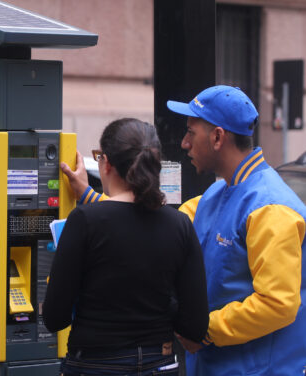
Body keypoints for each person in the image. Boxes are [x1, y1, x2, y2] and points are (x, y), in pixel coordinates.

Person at [61, 86, 306, 375]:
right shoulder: (218, 193)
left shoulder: (271, 207)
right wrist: (89, 196)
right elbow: (149, 226)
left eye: (191, 132)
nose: (185, 143)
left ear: (217, 137)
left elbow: (277, 303)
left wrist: (202, 331)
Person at [43, 118, 209, 376]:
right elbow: (195, 326)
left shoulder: (85, 221)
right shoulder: (180, 225)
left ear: (107, 163)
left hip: (94, 364)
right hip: (160, 363)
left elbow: (55, 318)